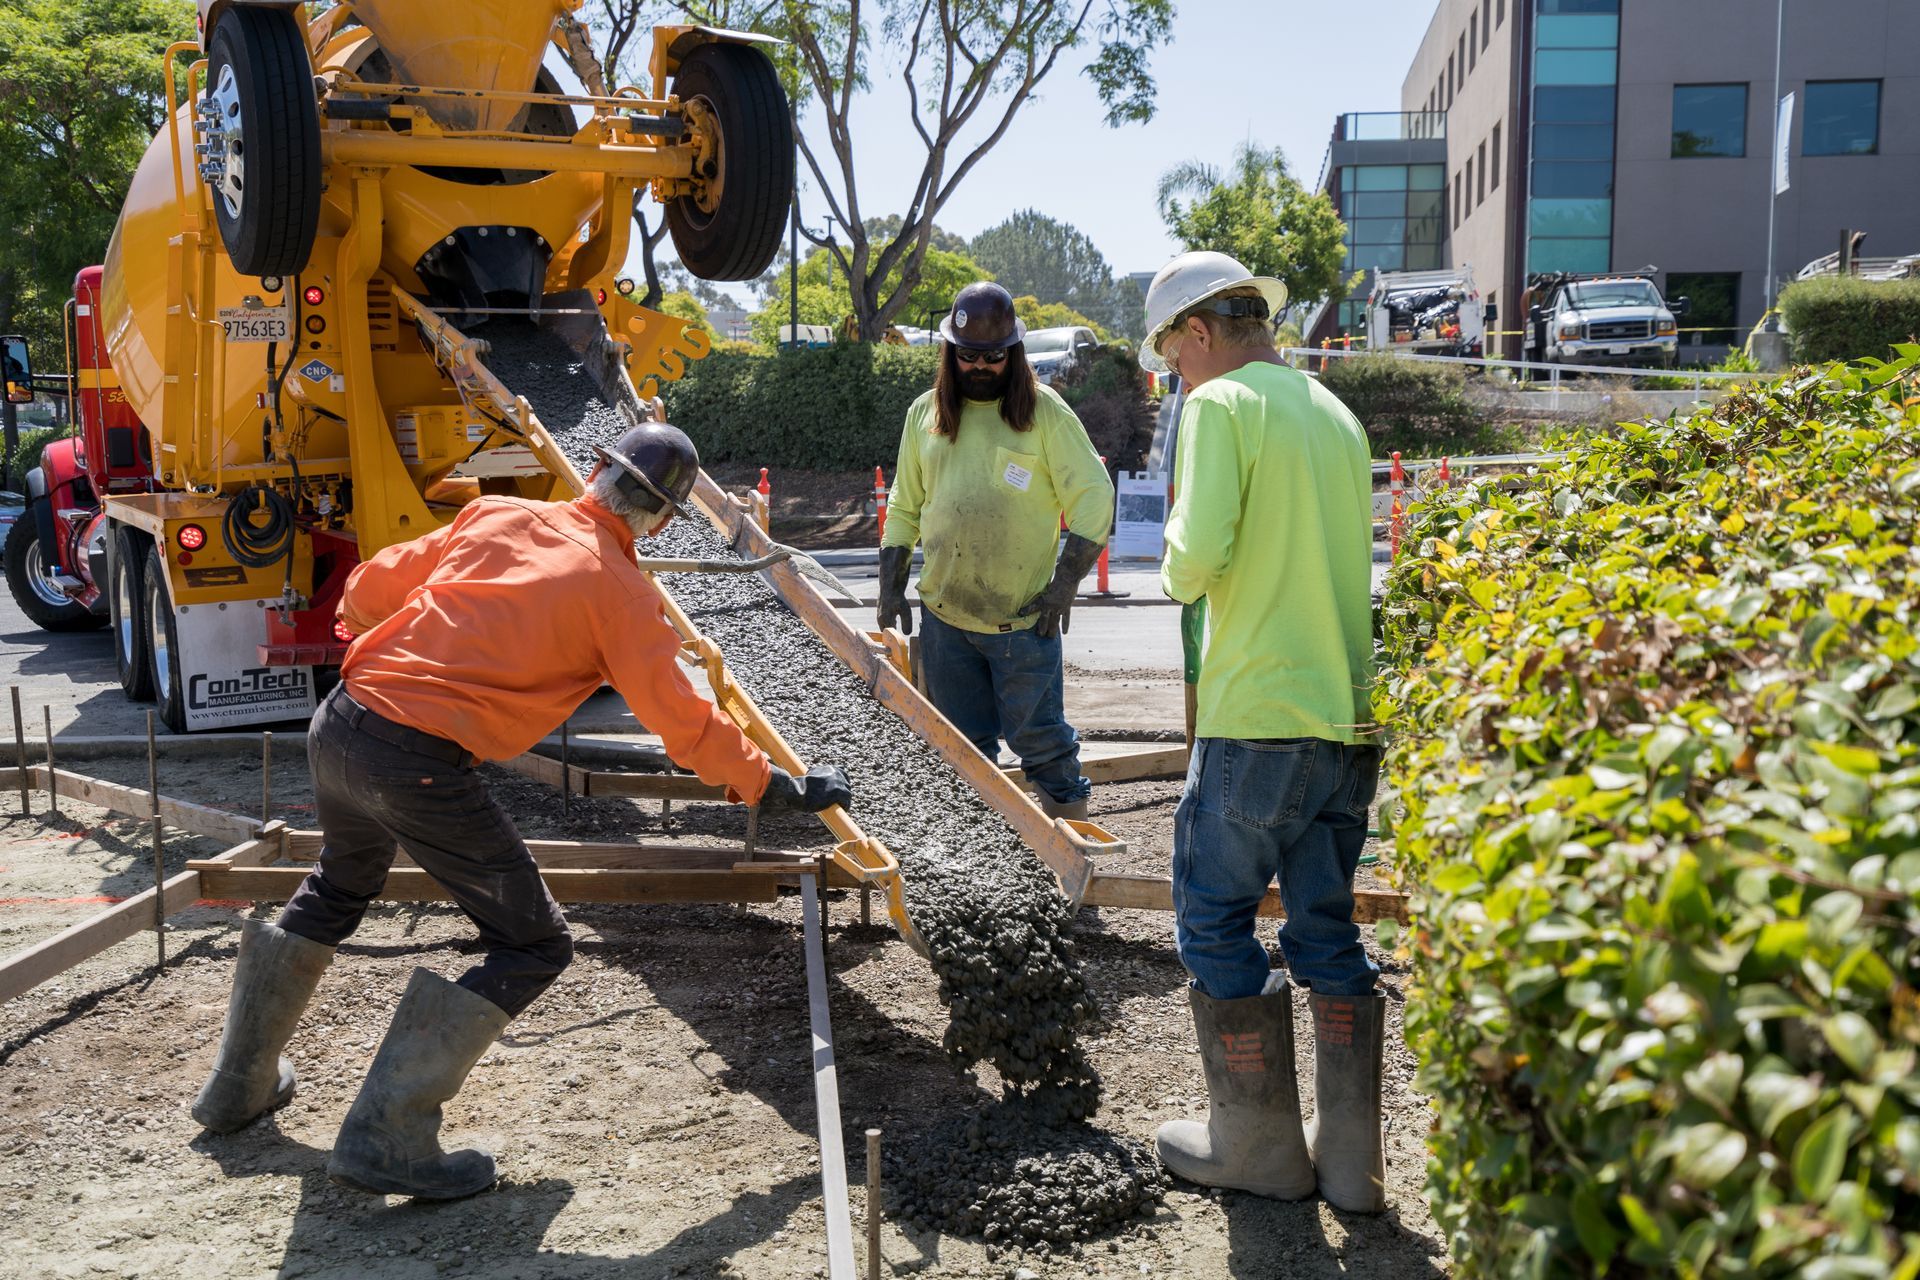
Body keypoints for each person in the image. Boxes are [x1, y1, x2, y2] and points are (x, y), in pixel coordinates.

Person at [190, 422, 853, 1200]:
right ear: (663, 519)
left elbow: (373, 586)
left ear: (597, 474)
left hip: (340, 722)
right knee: (532, 942)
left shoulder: (501, 515)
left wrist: (379, 637)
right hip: (414, 764)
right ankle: (387, 1136)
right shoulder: (622, 594)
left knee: (339, 884)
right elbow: (683, 720)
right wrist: (765, 781)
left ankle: (236, 1088)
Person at [1141, 251, 1385, 1213]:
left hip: (1257, 720)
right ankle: (1352, 1167)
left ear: (1198, 333)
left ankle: (1256, 1146)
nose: (1174, 377)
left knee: (1213, 917)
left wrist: (1172, 559)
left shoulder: (1220, 406)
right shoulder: (1335, 412)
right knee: (1326, 928)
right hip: (1347, 721)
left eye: (1172, 358)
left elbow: (1192, 561)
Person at [877, 281, 1114, 821]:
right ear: (949, 354)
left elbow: (1093, 495)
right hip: (946, 620)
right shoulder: (925, 415)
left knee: (1044, 743)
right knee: (960, 748)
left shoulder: (1045, 413)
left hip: (1024, 622)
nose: (980, 366)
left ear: (1013, 353)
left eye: (993, 356)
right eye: (968, 356)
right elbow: (905, 502)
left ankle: (1071, 853)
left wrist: (1064, 583)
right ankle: (983, 865)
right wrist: (891, 582)